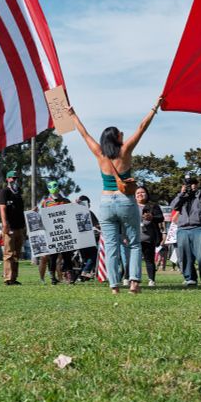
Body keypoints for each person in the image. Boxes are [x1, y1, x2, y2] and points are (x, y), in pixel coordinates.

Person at [68, 97, 162, 295]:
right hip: (125, 201)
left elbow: (84, 134)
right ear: (116, 138)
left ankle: (114, 286)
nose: (123, 134)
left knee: (111, 244)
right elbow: (142, 127)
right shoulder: (125, 150)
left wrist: (72, 114)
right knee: (135, 243)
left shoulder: (99, 153)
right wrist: (154, 108)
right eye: (120, 133)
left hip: (106, 202)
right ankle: (134, 283)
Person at [170, 174, 201, 287]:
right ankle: (190, 278)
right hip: (183, 228)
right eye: (187, 184)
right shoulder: (182, 196)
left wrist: (197, 192)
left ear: (196, 184)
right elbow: (174, 206)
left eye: (192, 183)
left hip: (199, 228)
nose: (190, 186)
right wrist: (182, 194)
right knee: (184, 256)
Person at [0, 171, 27, 286]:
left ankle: (14, 278)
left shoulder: (18, 193)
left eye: (16, 178)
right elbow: (2, 208)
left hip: (19, 227)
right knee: (8, 253)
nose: (15, 180)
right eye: (12, 178)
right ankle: (7, 278)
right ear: (7, 179)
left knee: (16, 254)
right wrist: (5, 224)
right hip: (9, 228)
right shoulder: (4, 192)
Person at [136, 186, 164, 287]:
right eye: (138, 193)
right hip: (134, 237)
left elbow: (161, 218)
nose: (140, 194)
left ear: (147, 194)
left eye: (142, 192)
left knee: (149, 260)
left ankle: (151, 280)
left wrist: (152, 217)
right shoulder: (131, 206)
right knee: (133, 260)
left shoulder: (153, 206)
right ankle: (130, 278)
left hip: (148, 237)